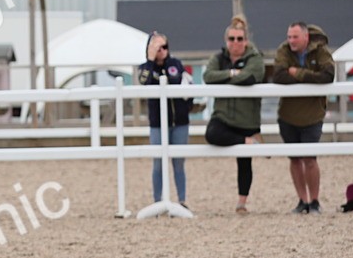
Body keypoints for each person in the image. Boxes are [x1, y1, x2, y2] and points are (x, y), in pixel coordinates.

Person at [203, 17, 265, 214]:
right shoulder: (218, 58)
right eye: (232, 39)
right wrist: (232, 74)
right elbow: (207, 76)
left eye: (239, 39)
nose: (235, 43)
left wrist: (225, 78)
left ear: (246, 41)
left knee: (244, 162)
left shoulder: (255, 57)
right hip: (223, 115)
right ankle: (248, 141)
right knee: (211, 134)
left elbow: (251, 76)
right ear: (226, 40)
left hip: (247, 117)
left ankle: (241, 203)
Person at [273, 22, 335, 214]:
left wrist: (297, 72)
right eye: (289, 36)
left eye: (295, 37)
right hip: (288, 115)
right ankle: (302, 200)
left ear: (306, 37)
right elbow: (278, 75)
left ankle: (315, 201)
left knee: (310, 159)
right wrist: (309, 76)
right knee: (294, 159)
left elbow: (327, 75)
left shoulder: (321, 51)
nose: (291, 41)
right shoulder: (283, 50)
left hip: (313, 115)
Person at [136, 32, 191, 208]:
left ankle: (182, 200)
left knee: (179, 162)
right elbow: (143, 81)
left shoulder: (176, 64)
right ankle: (157, 201)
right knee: (158, 163)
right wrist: (151, 60)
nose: (162, 51)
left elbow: (186, 86)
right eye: (157, 48)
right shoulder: (146, 68)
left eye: (164, 47)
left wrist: (186, 106)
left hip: (179, 122)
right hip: (158, 124)